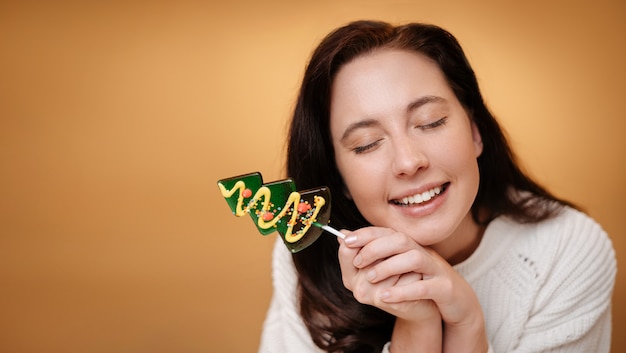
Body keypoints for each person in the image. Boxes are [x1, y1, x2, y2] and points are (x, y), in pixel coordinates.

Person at [258, 20, 616, 353]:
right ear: (340, 180)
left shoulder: (566, 252)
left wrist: (469, 324)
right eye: (367, 144)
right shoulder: (309, 249)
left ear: (475, 132)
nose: (408, 161)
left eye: (430, 122)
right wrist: (417, 324)